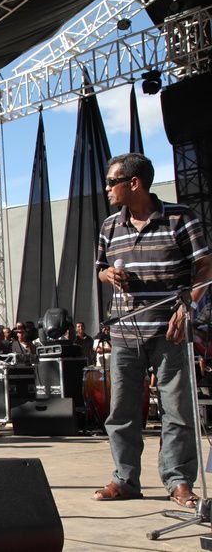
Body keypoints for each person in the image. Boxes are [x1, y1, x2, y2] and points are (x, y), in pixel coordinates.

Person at [93, 152, 211, 507]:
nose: (107, 188)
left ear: (134, 183)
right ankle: (125, 479)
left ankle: (178, 481)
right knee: (122, 412)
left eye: (112, 182)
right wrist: (109, 274)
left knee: (176, 409)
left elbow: (205, 269)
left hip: (170, 330)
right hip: (125, 331)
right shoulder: (110, 226)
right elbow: (100, 268)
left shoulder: (181, 218)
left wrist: (187, 305)